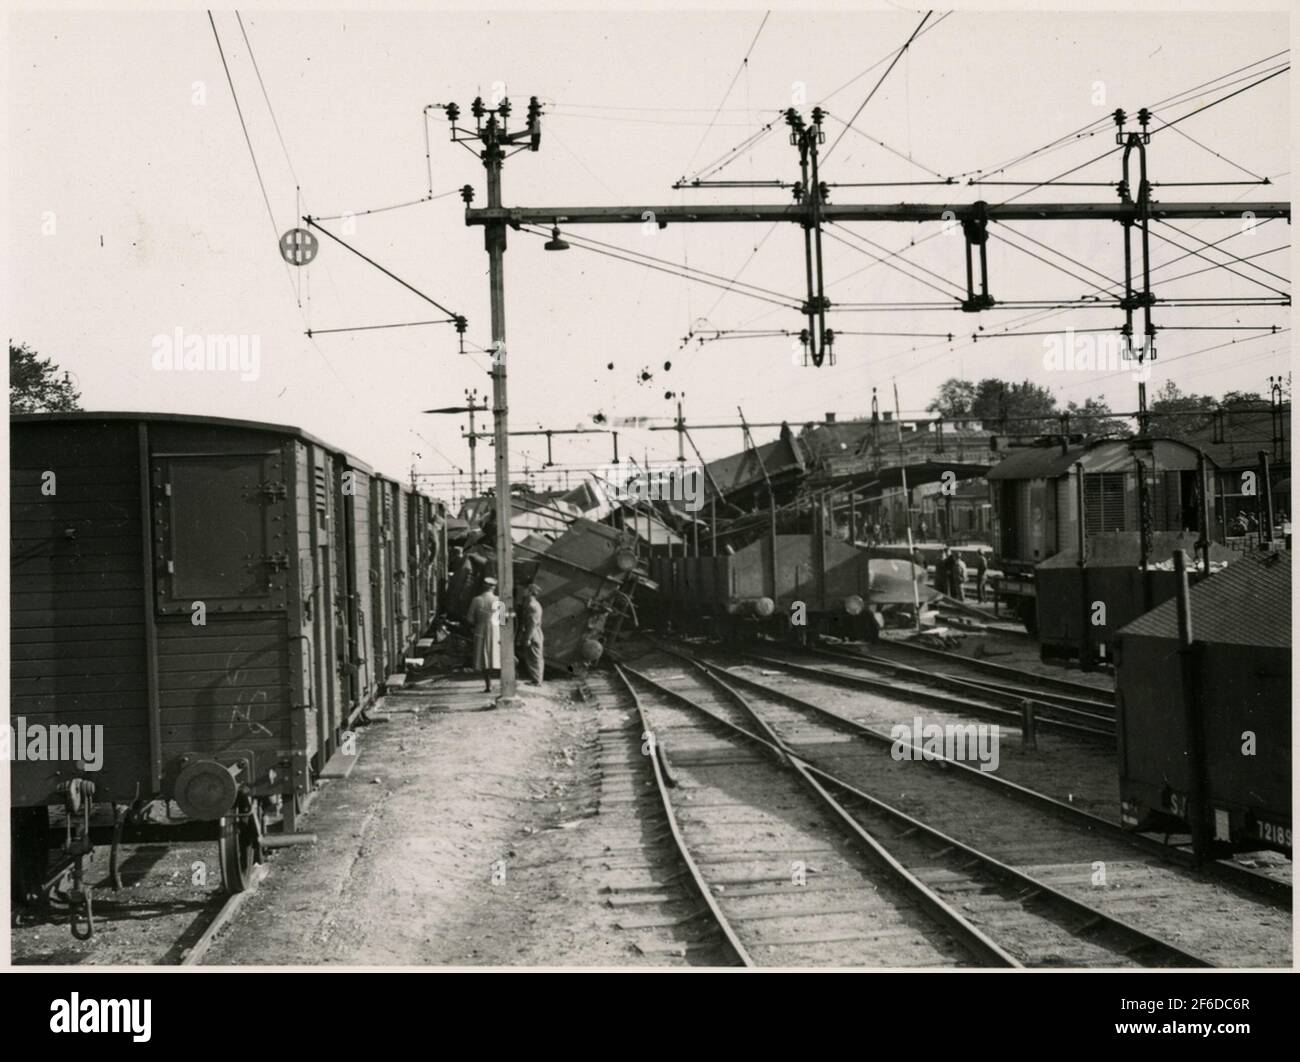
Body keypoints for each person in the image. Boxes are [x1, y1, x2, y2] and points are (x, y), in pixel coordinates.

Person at [467, 577, 502, 693]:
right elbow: (503, 621)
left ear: (484, 586)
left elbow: (470, 619)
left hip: (480, 630)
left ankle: (488, 685)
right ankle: (501, 684)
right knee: (495, 655)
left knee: (483, 657)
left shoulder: (476, 600)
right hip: (496, 631)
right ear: (494, 588)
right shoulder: (499, 601)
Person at [517, 583, 545, 686]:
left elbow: (532, 624)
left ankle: (537, 681)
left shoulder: (531, 606)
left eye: (526, 590)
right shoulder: (536, 604)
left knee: (534, 658)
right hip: (537, 633)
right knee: (536, 657)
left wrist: (527, 638)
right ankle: (537, 680)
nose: (524, 591)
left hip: (533, 634)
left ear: (530, 592)